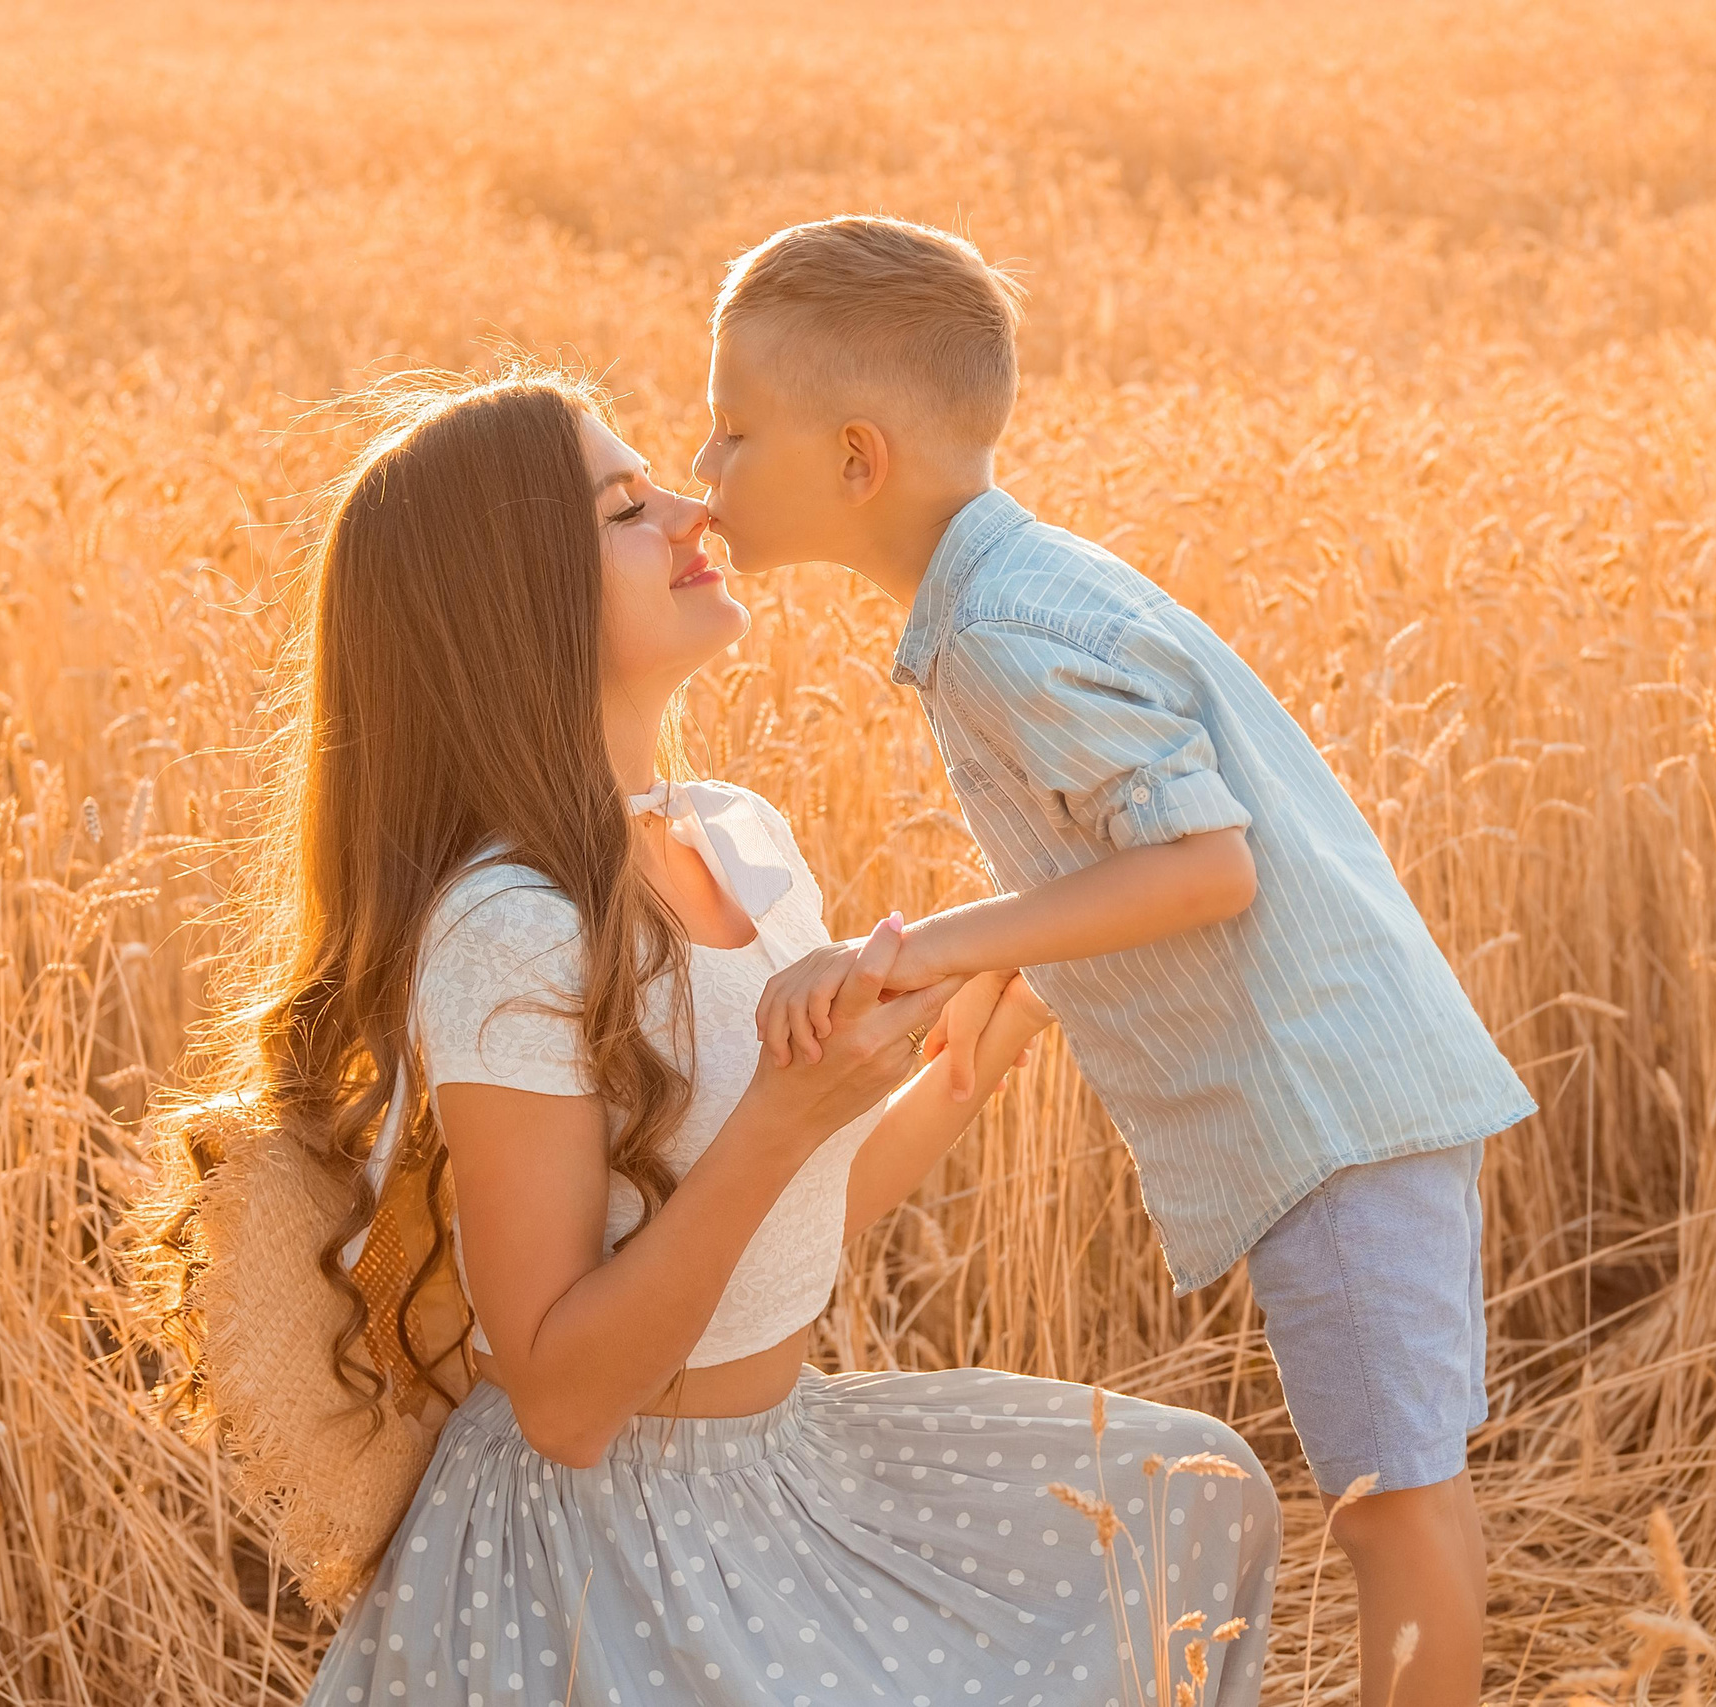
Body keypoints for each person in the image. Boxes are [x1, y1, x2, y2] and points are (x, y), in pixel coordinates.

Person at [217, 367, 1278, 1707]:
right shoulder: (509, 929)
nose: (691, 507)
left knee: (1192, 1501)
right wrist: (787, 1114)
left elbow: (781, 1237)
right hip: (609, 1554)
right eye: (624, 507)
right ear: (519, 600)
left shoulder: (736, 837)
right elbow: (562, 1400)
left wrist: (957, 1069)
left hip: (781, 1463)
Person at [696, 216, 1537, 1707]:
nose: (702, 470)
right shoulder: (1018, 587)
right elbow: (1112, 859)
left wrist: (927, 948)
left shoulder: (1000, 633)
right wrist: (977, 995)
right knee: (1409, 1491)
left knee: (1392, 1505)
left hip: (1322, 1104)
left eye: (733, 429)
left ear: (854, 458)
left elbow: (1206, 868)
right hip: (1348, 1084)